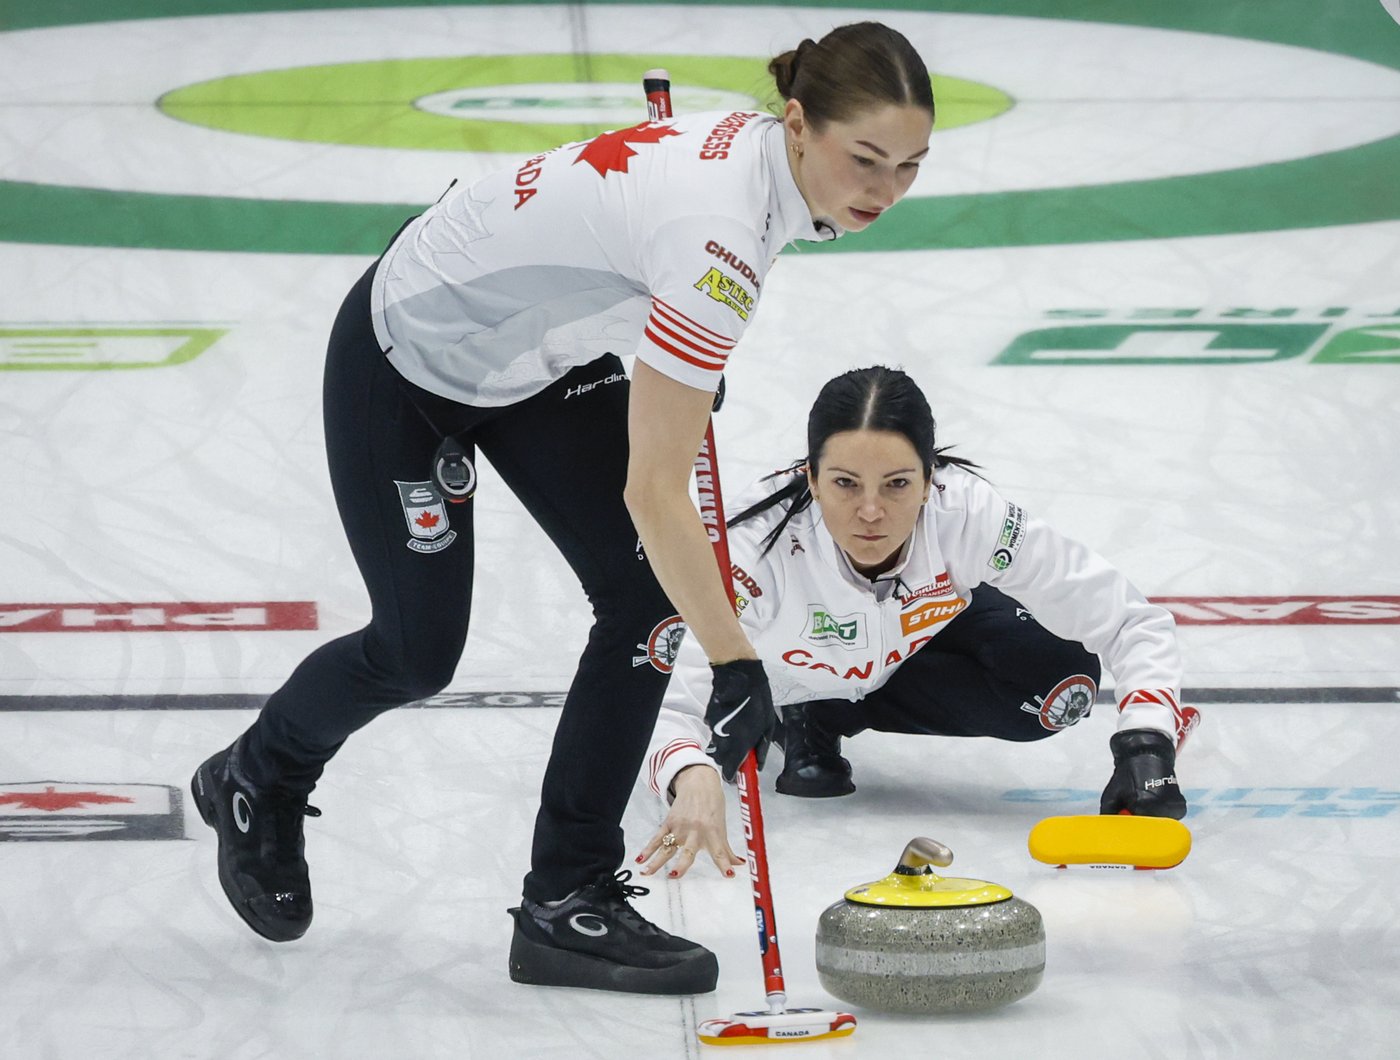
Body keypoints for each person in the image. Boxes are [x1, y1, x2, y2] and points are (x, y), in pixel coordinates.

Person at [188, 23, 935, 995]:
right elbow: (654, 491)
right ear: (797, 123)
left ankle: (565, 899)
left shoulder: (759, 176)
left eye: (909, 166)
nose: (884, 189)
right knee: (415, 652)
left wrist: (674, 350)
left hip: (534, 354)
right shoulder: (717, 236)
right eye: (865, 159)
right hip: (408, 356)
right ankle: (258, 772)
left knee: (646, 602)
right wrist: (736, 661)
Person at [637, 366, 1198, 881]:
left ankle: (829, 712)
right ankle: (801, 706)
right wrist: (691, 773)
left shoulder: (966, 514)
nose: (871, 512)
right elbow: (666, 702)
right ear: (810, 478)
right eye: (845, 483)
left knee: (1060, 682)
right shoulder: (751, 553)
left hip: (910, 641)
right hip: (792, 671)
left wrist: (1145, 741)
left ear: (931, 479)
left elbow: (1128, 619)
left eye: (898, 484)